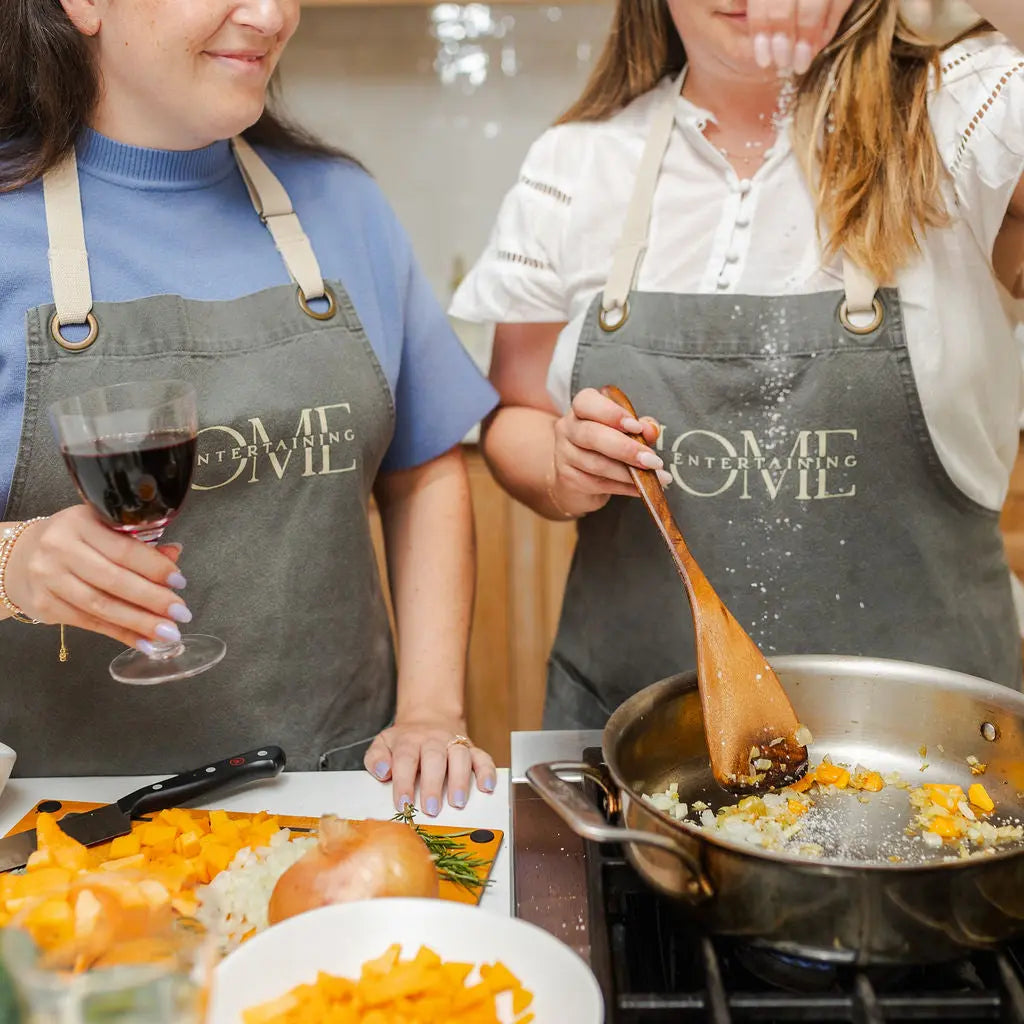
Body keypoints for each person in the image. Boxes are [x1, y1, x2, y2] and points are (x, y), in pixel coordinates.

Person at [451, 0, 1024, 729]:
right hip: (638, 753)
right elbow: (518, 411)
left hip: (929, 762)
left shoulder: (961, 115)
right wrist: (561, 466)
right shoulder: (578, 163)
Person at [0, 0, 499, 813]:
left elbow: (423, 474)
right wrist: (12, 565)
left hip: (334, 801)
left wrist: (432, 710)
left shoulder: (345, 207)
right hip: (65, 836)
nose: (271, 15)